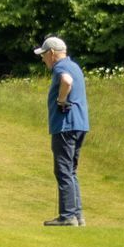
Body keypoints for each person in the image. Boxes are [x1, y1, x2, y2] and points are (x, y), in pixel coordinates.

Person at [35, 34, 89, 226]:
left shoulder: (62, 67)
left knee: (63, 170)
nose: (42, 59)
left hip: (66, 125)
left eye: (43, 55)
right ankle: (77, 216)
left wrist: (61, 100)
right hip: (79, 125)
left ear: (51, 53)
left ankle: (67, 217)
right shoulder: (74, 66)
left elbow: (66, 81)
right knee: (71, 171)